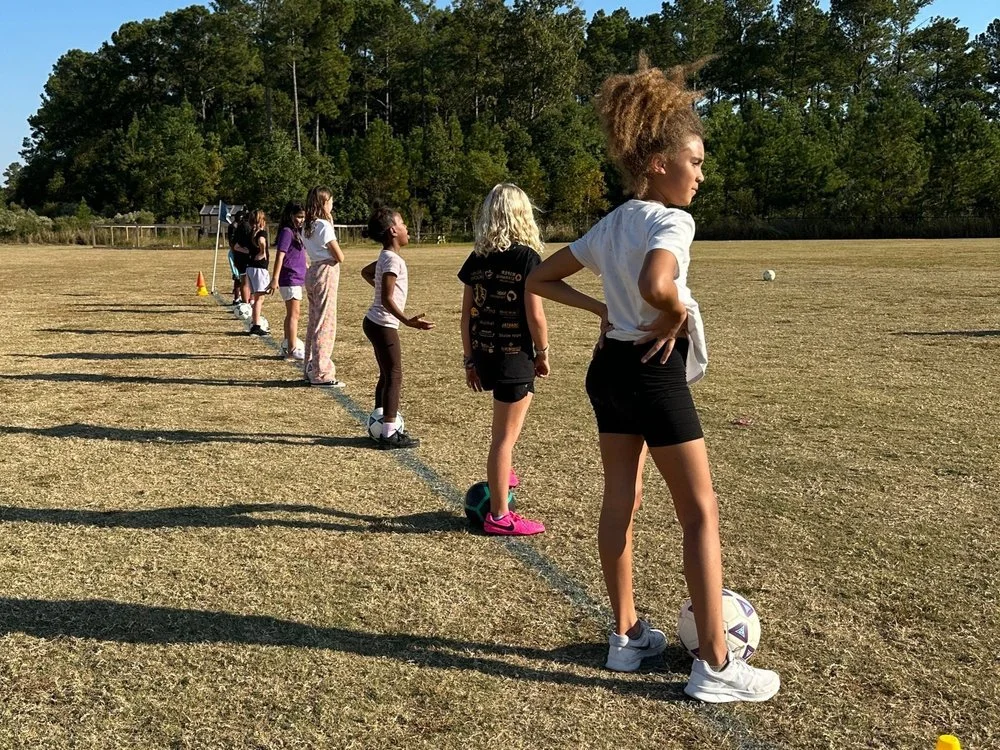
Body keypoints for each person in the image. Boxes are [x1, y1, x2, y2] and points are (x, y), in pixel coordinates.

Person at [525, 58, 780, 702]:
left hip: (607, 367)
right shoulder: (673, 220)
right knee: (699, 514)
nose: (702, 173)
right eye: (694, 161)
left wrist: (602, 310)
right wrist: (673, 310)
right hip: (651, 370)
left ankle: (625, 637)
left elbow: (540, 278)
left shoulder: (614, 220)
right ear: (660, 163)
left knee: (622, 503)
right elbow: (658, 285)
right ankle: (717, 666)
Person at [459, 184, 549, 536]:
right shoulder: (526, 257)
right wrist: (543, 353)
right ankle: (499, 515)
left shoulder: (477, 257)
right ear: (522, 214)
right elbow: (535, 315)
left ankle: (505, 475)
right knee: (503, 439)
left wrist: (469, 361)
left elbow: (466, 315)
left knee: (506, 432)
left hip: (484, 355)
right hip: (514, 358)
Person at [359, 204, 434, 449]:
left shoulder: (386, 257)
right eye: (403, 224)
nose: (407, 228)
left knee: (386, 372)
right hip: (383, 324)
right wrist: (407, 320)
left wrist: (381, 288)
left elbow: (366, 273)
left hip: (375, 322)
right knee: (394, 374)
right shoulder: (393, 260)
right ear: (393, 231)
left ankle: (381, 421)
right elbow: (386, 298)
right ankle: (389, 432)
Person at [301, 186, 346, 387]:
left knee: (314, 321)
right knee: (325, 323)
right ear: (323, 203)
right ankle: (321, 371)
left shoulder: (306, 226)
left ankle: (310, 366)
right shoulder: (323, 226)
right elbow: (339, 256)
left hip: (312, 272)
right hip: (325, 272)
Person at [269, 202, 308, 360]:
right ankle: (292, 349)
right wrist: (275, 278)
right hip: (290, 278)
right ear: (290, 216)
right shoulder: (287, 232)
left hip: (297, 278)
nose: (301, 220)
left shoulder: (298, 232)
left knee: (292, 314)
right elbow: (280, 256)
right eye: (298, 216)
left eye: (303, 217)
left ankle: (288, 343)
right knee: (294, 314)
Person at [244, 209, 271, 336]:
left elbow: (239, 246)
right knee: (260, 298)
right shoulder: (262, 233)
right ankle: (256, 326)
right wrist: (262, 252)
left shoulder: (250, 234)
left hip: (250, 267)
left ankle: (255, 322)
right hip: (259, 268)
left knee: (256, 297)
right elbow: (262, 241)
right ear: (262, 221)